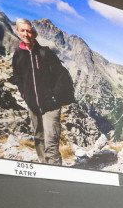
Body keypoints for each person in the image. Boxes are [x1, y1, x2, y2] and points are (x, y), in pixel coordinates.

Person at [11, 18, 76, 166]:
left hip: (51, 107)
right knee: (39, 138)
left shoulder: (45, 53)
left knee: (51, 142)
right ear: (18, 32)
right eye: (23, 31)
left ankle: (55, 174)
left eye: (29, 30)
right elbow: (18, 77)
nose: (26, 34)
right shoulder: (18, 55)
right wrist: (25, 95)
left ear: (34, 33)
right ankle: (44, 168)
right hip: (33, 106)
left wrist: (55, 97)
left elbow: (62, 75)